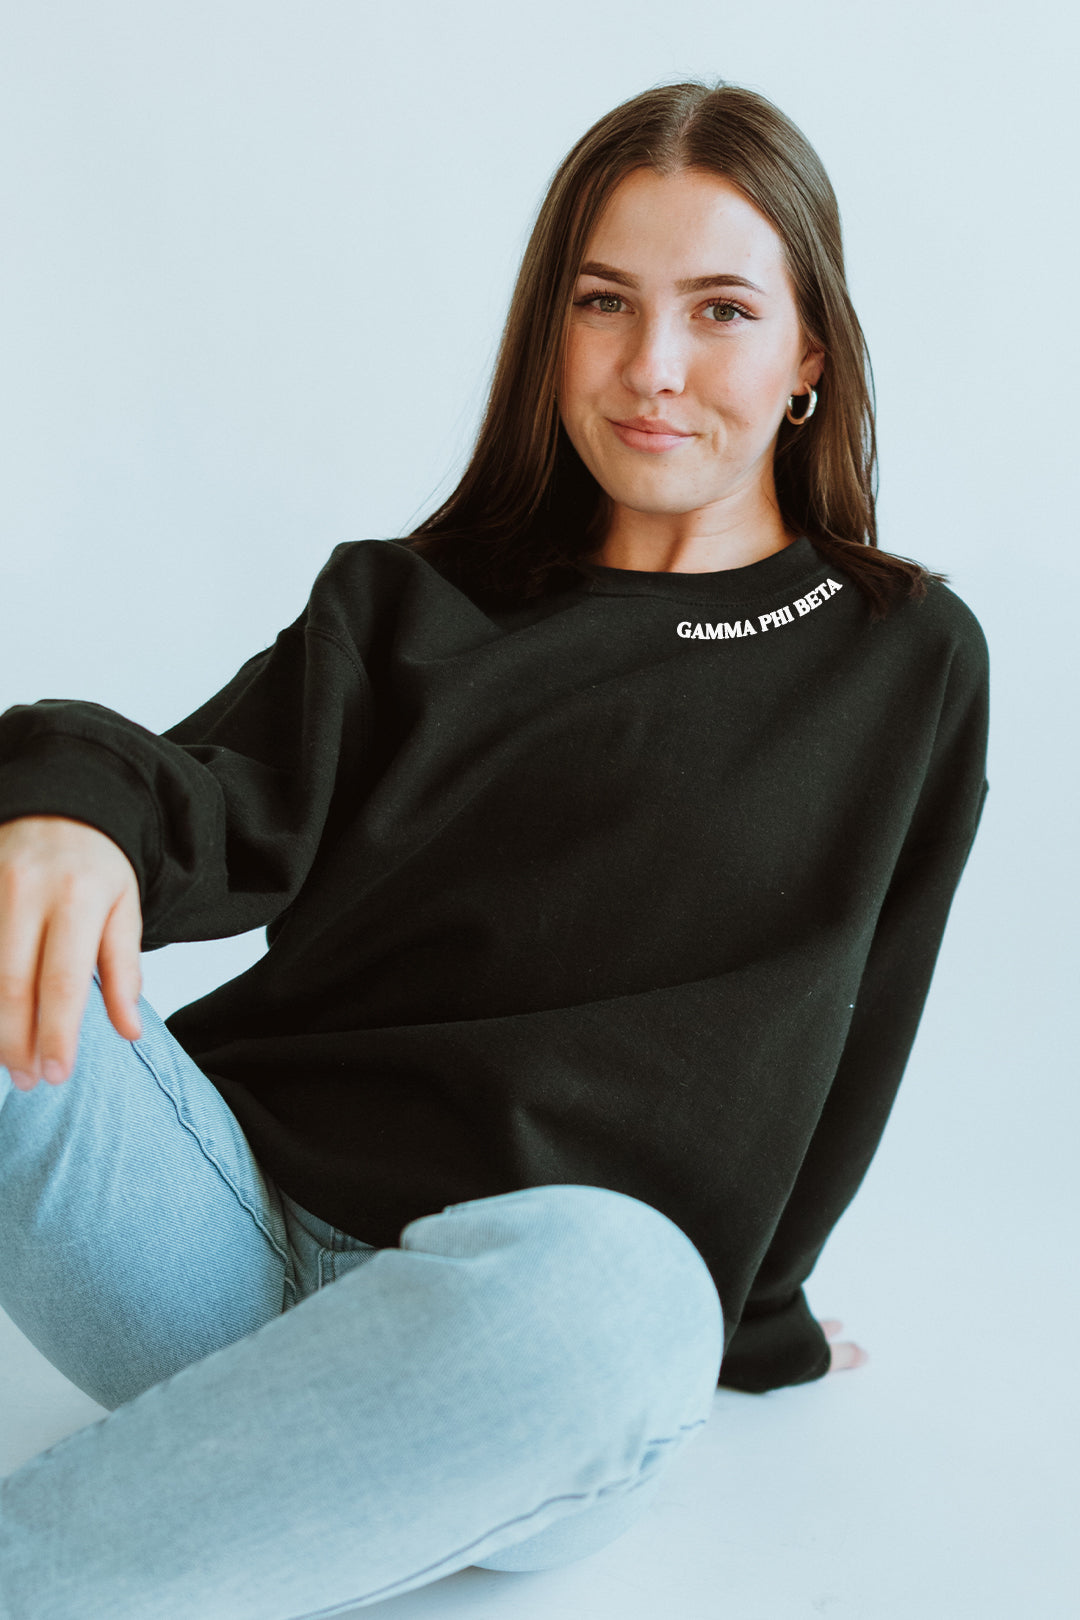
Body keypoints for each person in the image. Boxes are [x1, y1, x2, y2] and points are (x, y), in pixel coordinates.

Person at [0, 79, 988, 1619]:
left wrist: (763, 1312)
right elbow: (194, 794)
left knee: (634, 1295)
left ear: (810, 354)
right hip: (213, 1243)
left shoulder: (903, 656)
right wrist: (64, 810)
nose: (653, 367)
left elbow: (866, 1012)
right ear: (552, 329)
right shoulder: (410, 604)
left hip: (532, 1339)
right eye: (605, 302)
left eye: (722, 310)